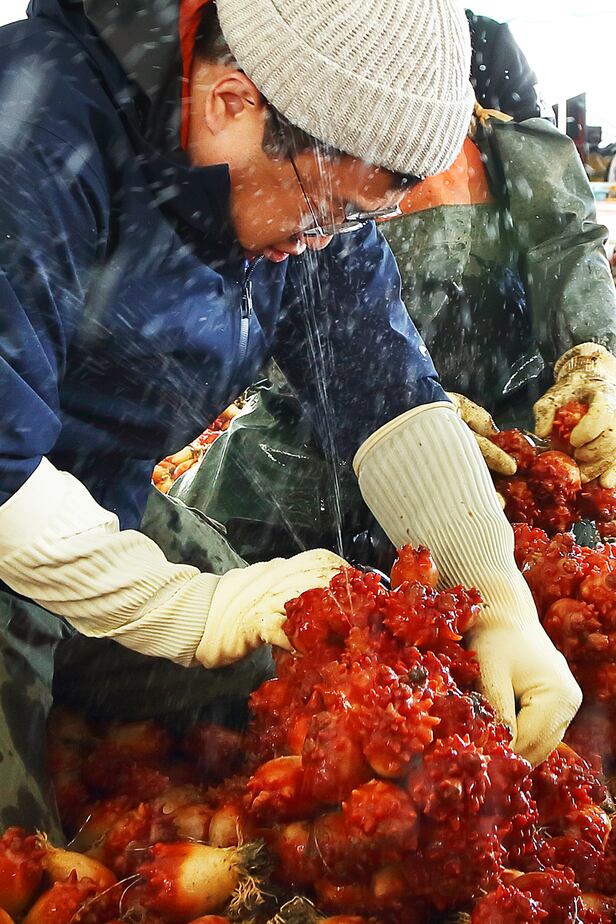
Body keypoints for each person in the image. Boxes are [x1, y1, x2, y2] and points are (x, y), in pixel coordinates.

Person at [0, 0, 580, 836]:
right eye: (326, 212)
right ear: (231, 102)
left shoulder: (308, 163)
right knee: (19, 854)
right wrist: (193, 609)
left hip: (102, 497)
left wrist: (495, 593)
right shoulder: (32, 129)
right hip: (12, 492)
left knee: (275, 675)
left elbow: (383, 384)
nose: (326, 242)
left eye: (358, 220)